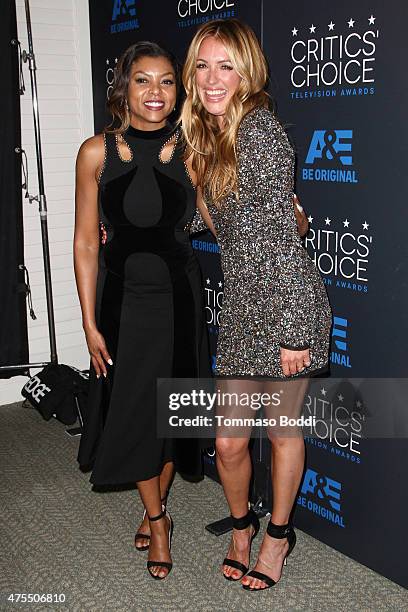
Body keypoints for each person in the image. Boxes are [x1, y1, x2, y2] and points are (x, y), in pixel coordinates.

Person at [182, 19, 332, 591]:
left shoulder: (260, 132)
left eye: (226, 65)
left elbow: (279, 238)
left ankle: (276, 537)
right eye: (202, 66)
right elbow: (202, 220)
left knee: (282, 433)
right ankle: (241, 527)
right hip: (244, 307)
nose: (212, 78)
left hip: (285, 305)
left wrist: (295, 327)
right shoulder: (211, 138)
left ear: (248, 72)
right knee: (228, 441)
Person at [74, 41, 210, 580]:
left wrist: (281, 216)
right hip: (121, 302)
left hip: (180, 300)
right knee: (134, 409)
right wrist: (88, 321)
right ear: (123, 88)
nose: (155, 92)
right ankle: (158, 520)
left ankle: (155, 503)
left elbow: (224, 220)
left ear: (179, 91)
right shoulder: (95, 152)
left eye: (167, 81)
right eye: (142, 80)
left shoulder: (195, 149)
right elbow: (87, 241)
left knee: (172, 412)